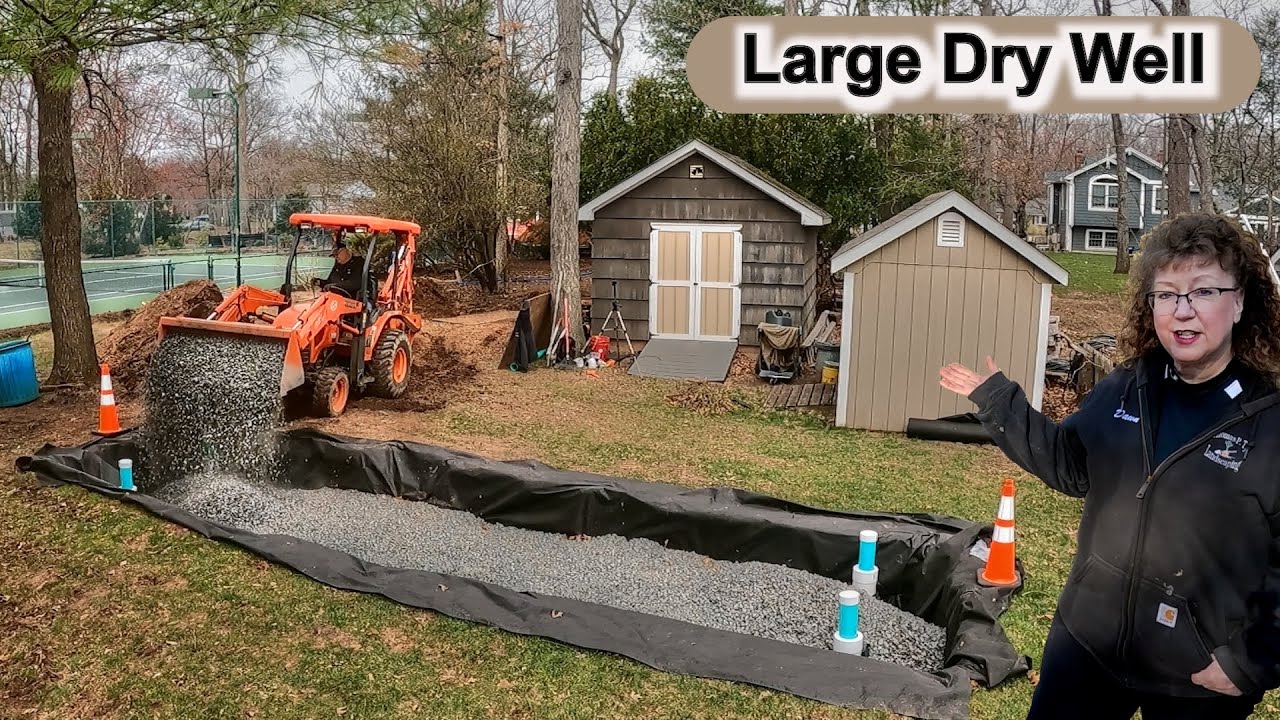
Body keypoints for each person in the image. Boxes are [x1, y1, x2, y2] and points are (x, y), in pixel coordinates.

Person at [938, 213, 1280, 719]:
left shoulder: (1268, 422)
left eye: (1203, 291)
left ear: (1240, 301)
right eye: (1166, 294)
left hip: (1197, 673)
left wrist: (1249, 662)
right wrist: (998, 402)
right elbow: (1071, 464)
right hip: (1088, 644)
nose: (1182, 311)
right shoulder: (1129, 386)